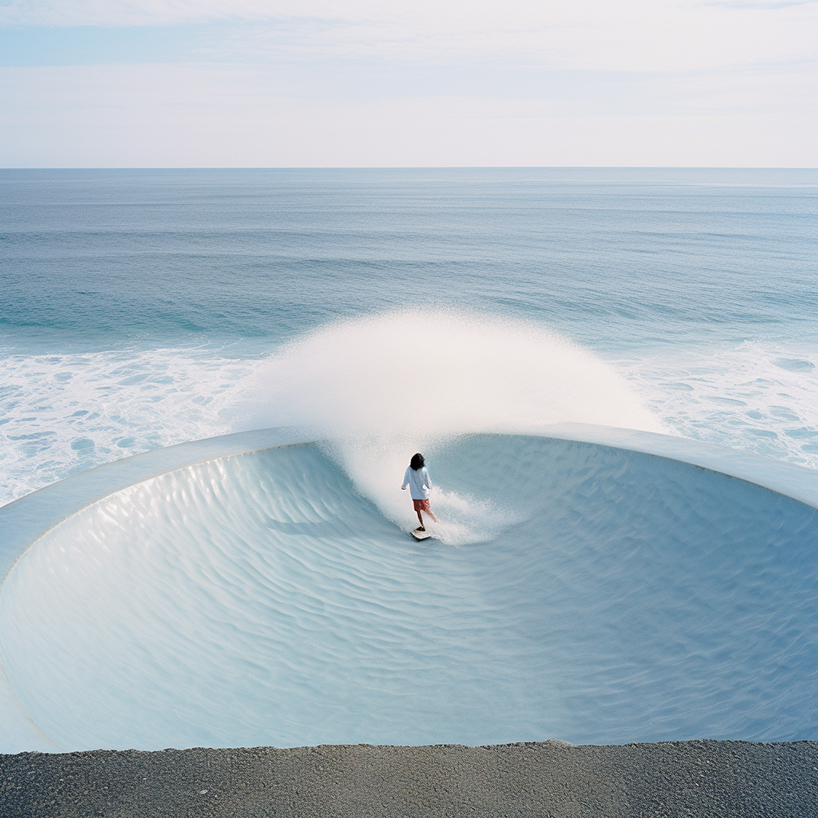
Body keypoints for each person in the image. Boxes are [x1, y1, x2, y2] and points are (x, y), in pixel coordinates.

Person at [401, 452, 439, 531]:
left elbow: (406, 479)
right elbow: (428, 482)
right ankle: (437, 521)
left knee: (419, 512)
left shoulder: (409, 469)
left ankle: (423, 526)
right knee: (426, 509)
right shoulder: (424, 469)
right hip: (423, 495)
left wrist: (403, 486)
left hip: (415, 496)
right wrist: (429, 487)